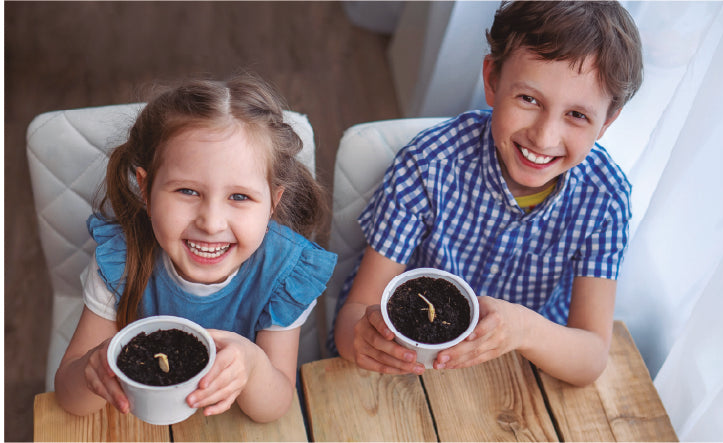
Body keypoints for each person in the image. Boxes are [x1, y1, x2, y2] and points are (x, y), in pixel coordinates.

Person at [331, 1, 643, 386]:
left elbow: (591, 357)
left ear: (607, 122)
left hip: (515, 375)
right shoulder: (429, 164)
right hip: (413, 365)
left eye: (577, 115)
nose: (544, 137)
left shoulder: (605, 200)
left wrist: (525, 330)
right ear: (492, 80)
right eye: (529, 99)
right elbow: (352, 319)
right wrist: (362, 340)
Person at [54, 72, 337, 423]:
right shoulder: (120, 260)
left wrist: (251, 364)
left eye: (239, 197)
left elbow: (274, 407)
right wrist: (91, 369)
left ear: (273, 203)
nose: (211, 222)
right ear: (145, 188)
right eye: (188, 191)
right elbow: (70, 399)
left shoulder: (283, 273)